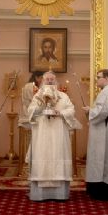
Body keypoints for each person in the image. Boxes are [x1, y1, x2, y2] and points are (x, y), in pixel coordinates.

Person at [26, 70, 79, 201]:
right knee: (42, 155)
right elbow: (30, 111)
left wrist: (60, 112)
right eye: (47, 79)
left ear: (55, 80)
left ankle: (59, 194)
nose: (49, 81)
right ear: (42, 81)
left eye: (51, 79)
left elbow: (71, 110)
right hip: (42, 133)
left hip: (58, 133)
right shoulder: (38, 96)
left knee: (58, 155)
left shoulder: (63, 96)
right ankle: (40, 195)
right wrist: (40, 107)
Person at [84, 69, 108, 201]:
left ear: (106, 78)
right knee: (99, 159)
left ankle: (101, 191)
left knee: (102, 159)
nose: (96, 80)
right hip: (101, 131)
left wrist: (90, 111)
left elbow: (103, 111)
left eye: (98, 77)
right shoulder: (106, 92)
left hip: (104, 134)